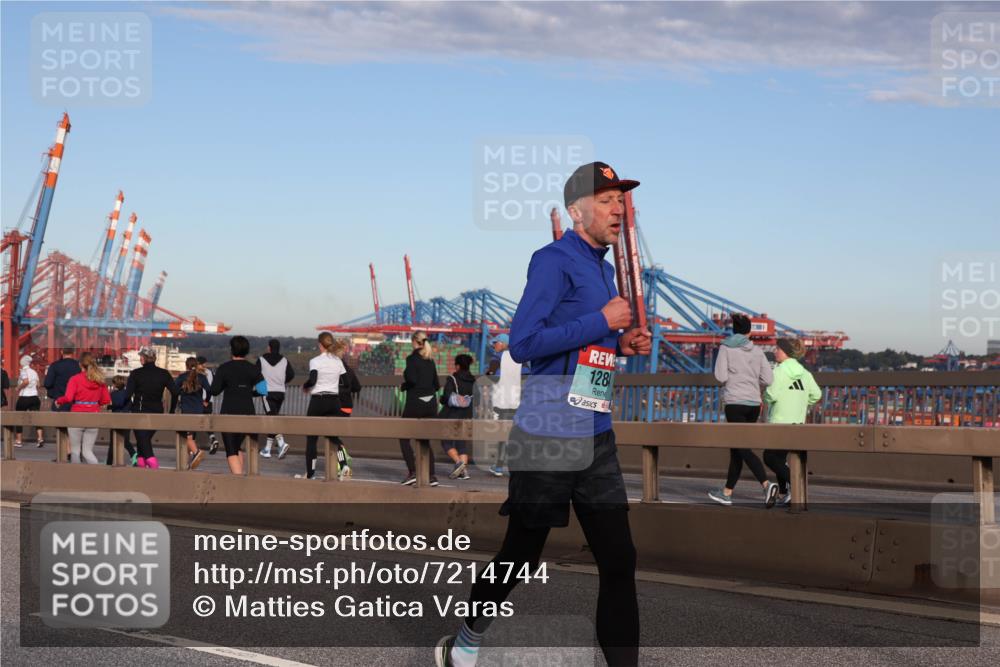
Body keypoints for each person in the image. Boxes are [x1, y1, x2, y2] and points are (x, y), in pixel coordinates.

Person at [435, 161, 651, 667]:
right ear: (577, 211)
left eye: (620, 199)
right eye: (605, 200)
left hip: (595, 431)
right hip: (549, 432)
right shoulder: (552, 260)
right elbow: (524, 344)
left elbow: (585, 342)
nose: (617, 208)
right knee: (520, 555)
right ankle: (467, 640)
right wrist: (602, 319)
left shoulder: (602, 266)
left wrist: (620, 342)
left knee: (620, 561)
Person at [707, 313, 779, 508]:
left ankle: (766, 484)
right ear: (749, 331)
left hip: (735, 402)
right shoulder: (757, 351)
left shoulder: (726, 347)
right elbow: (768, 379)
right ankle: (727, 493)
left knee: (741, 447)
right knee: (737, 449)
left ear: (733, 330)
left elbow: (720, 377)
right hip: (754, 404)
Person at [763, 338, 823, 506]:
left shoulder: (779, 371)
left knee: (769, 457)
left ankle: (794, 487)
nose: (775, 352)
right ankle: (784, 494)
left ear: (785, 352)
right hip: (797, 422)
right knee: (780, 459)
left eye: (778, 349)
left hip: (779, 422)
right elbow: (817, 395)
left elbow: (771, 395)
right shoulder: (805, 373)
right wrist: (802, 401)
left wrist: (765, 396)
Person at [210, 335, 264, 475]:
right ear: (247, 350)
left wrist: (226, 385)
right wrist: (248, 393)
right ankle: (240, 478)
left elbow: (214, 391)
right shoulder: (253, 369)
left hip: (229, 411)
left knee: (231, 450)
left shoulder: (224, 368)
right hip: (248, 411)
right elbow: (263, 390)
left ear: (231, 350)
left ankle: (239, 483)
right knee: (237, 447)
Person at [299, 333, 350, 480]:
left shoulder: (315, 361)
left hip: (318, 401)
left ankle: (310, 473)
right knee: (334, 436)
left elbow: (313, 379)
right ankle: (344, 466)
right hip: (334, 401)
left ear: (319, 344)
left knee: (312, 439)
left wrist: (305, 386)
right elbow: (346, 383)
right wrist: (333, 385)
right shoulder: (338, 361)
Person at [124, 347, 178, 469]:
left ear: (143, 358)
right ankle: (141, 472)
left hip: (139, 412)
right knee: (142, 442)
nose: (139, 358)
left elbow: (127, 395)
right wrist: (171, 410)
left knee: (143, 442)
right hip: (157, 412)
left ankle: (155, 470)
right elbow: (175, 392)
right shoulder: (164, 373)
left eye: (140, 357)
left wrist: (122, 407)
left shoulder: (136, 373)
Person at [399, 331, 440, 487]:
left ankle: (413, 472)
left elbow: (412, 379)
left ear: (414, 342)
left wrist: (404, 386)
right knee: (424, 440)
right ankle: (431, 476)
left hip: (415, 403)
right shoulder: (431, 361)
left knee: (403, 437)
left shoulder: (411, 359)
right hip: (431, 404)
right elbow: (436, 385)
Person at [55, 355, 111, 464]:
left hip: (77, 415)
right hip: (94, 416)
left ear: (80, 365)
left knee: (75, 451)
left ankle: (77, 476)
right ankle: (97, 474)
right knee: (88, 451)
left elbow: (68, 398)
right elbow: (106, 400)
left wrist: (59, 401)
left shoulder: (75, 379)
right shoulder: (99, 380)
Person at [485, 333, 522, 477]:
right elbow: (526, 376)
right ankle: (514, 467)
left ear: (502, 343)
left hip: (501, 402)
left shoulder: (497, 358)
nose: (494, 346)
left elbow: (492, 377)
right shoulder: (521, 358)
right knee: (514, 436)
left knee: (501, 435)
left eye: (496, 343)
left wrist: (488, 373)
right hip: (516, 401)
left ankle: (499, 466)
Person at [257, 339, 294, 459]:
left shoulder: (262, 359)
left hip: (267, 393)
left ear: (269, 348)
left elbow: (255, 374)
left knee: (271, 419)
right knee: (273, 417)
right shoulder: (284, 360)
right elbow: (291, 374)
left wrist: (259, 386)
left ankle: (282, 443)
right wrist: (282, 381)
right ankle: (267, 449)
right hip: (280, 392)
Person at [440, 354, 476, 480]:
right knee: (461, 443)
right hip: (467, 415)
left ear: (458, 366)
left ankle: (458, 463)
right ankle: (464, 472)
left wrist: (442, 400)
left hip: (452, 414)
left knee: (446, 441)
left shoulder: (453, 378)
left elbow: (446, 396)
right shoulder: (473, 380)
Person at [174, 357, 212, 470]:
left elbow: (174, 391)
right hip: (198, 410)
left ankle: (196, 452)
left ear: (186, 366)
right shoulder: (202, 377)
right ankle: (187, 462)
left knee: (187, 436)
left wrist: (181, 391)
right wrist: (206, 401)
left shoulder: (181, 378)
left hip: (186, 410)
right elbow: (209, 390)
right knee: (190, 437)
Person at [106, 375, 137, 466]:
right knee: (126, 441)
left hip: (116, 419)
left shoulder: (113, 394)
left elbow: (117, 404)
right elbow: (130, 405)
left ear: (115, 384)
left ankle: (109, 462)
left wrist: (109, 406)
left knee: (113, 442)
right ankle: (134, 455)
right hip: (127, 418)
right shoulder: (127, 393)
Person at [14, 355, 44, 447]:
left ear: (22, 363)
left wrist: (18, 387)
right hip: (35, 397)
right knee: (36, 418)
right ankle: (40, 439)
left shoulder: (23, 371)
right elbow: (38, 385)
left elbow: (26, 381)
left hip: (24, 397)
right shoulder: (34, 372)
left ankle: (19, 441)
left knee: (18, 418)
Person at [197, 356, 221, 455]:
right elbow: (213, 387)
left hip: (200, 400)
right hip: (209, 401)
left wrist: (204, 400)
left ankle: (192, 449)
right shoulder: (210, 372)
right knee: (206, 422)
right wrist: (208, 400)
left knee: (193, 423)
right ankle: (213, 439)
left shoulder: (198, 373)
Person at [44, 347, 81, 412]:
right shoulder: (79, 366)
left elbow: (47, 383)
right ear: (73, 352)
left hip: (59, 401)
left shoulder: (54, 365)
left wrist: (53, 392)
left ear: (61, 352)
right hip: (75, 402)